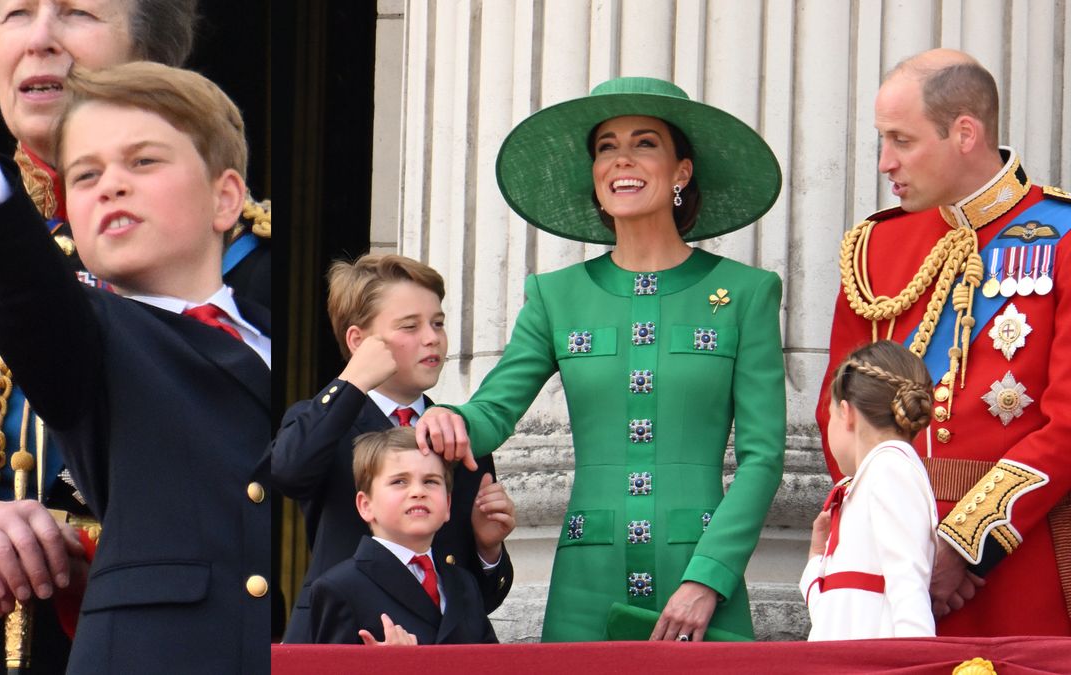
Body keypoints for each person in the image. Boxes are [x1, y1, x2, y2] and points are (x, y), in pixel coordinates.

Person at [0, 2, 282, 671]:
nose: (40, 38)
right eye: (16, 13)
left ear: (150, 50)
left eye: (78, 12)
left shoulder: (257, 270)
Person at [415, 77, 786, 642]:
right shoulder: (555, 296)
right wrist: (450, 418)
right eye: (606, 147)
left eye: (645, 143)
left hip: (700, 572)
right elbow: (494, 411)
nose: (621, 160)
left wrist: (709, 578)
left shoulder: (745, 293)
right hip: (587, 575)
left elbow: (763, 456)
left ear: (682, 171)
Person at [816, 48, 1071, 637]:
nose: (885, 162)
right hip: (886, 558)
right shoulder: (874, 249)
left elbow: (1066, 426)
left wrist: (966, 542)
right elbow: (840, 409)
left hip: (1022, 557)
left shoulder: (1062, 236)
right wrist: (891, 529)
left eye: (901, 140)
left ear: (964, 133)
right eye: (882, 140)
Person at [270, 253, 514, 643]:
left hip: (441, 651)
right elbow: (288, 471)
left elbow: (474, 599)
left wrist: (488, 549)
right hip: (342, 639)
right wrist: (352, 380)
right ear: (358, 341)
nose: (432, 338)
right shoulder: (323, 421)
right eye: (410, 326)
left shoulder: (456, 431)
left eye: (438, 323)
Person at [307, 427, 499, 645]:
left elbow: (492, 660)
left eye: (430, 481)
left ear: (447, 505)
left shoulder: (463, 583)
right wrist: (389, 663)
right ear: (365, 505)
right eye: (399, 481)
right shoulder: (340, 586)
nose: (418, 492)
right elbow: (329, 662)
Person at [802, 340, 938, 640]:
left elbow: (909, 595)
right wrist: (816, 562)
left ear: (846, 413)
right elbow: (836, 615)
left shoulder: (891, 469)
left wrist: (917, 660)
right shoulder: (872, 477)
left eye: (829, 414)